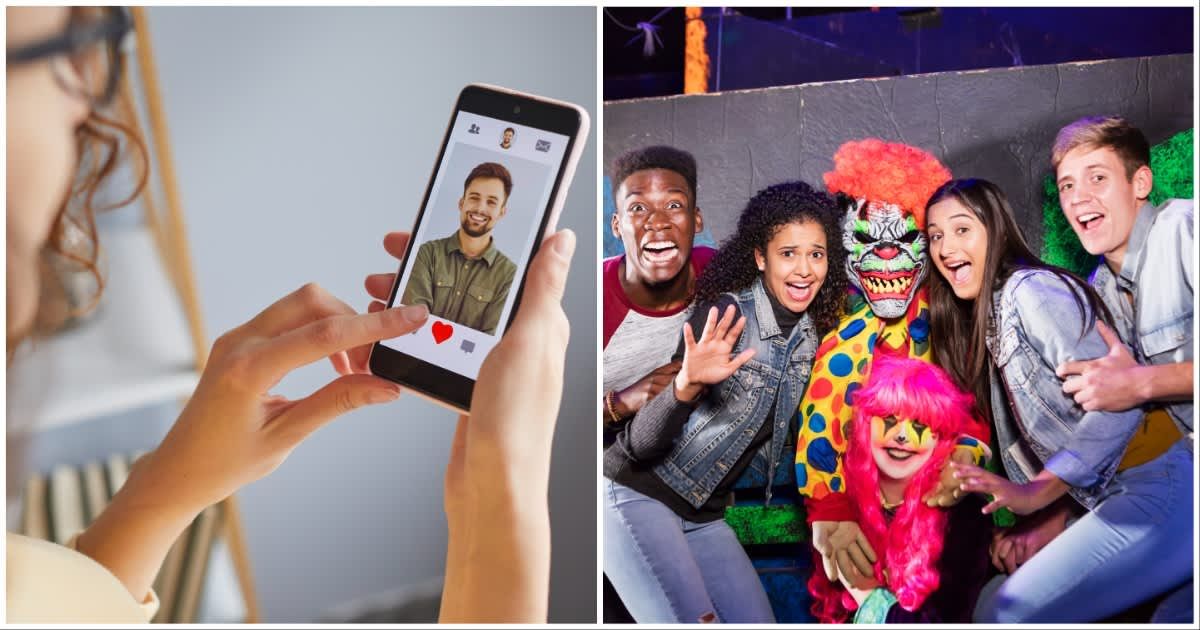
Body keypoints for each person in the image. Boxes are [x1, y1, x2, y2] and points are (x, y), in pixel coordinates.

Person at [6, 6, 575, 623]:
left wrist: (160, 490)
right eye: (73, 46)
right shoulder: (433, 257)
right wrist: (503, 491)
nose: (91, 104)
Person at [921, 178, 1193, 623]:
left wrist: (1038, 492)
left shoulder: (1029, 292)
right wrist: (1050, 517)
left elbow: (1116, 406)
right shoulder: (990, 319)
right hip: (1118, 491)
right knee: (991, 602)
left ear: (996, 230)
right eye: (935, 236)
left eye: (962, 229)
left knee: (1006, 613)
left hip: (1160, 481)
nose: (946, 246)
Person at [603, 181, 848, 623]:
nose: (805, 269)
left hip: (703, 514)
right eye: (788, 253)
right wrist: (686, 383)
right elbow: (637, 447)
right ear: (760, 258)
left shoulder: (817, 335)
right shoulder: (729, 316)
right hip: (635, 495)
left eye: (816, 253)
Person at [793, 140, 990, 598]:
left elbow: (978, 409)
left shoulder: (950, 322)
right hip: (865, 516)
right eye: (866, 239)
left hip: (942, 521)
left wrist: (966, 454)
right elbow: (823, 416)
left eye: (905, 239)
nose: (885, 254)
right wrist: (828, 505)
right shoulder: (841, 337)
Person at [600, 145, 714, 622]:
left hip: (690, 495)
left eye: (674, 205)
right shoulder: (590, 299)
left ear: (697, 219)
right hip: (606, 489)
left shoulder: (718, 274)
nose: (658, 222)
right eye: (638, 208)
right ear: (617, 226)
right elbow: (535, 418)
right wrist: (621, 401)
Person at [808, 356, 995, 624]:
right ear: (865, 425)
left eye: (919, 423)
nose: (902, 436)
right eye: (889, 419)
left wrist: (869, 596)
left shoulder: (965, 516)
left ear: (939, 436)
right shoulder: (841, 510)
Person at [1050, 116, 1193, 434]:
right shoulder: (1098, 292)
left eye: (1097, 178)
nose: (1077, 198)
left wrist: (1141, 383)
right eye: (1067, 185)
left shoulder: (1184, 229)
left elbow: (1136, 386)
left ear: (1140, 183)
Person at [400, 162, 518, 335]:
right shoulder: (427, 253)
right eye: (474, 198)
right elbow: (412, 323)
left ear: (502, 212)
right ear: (461, 203)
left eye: (491, 202)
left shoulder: (509, 275)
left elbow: (489, 341)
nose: (480, 208)